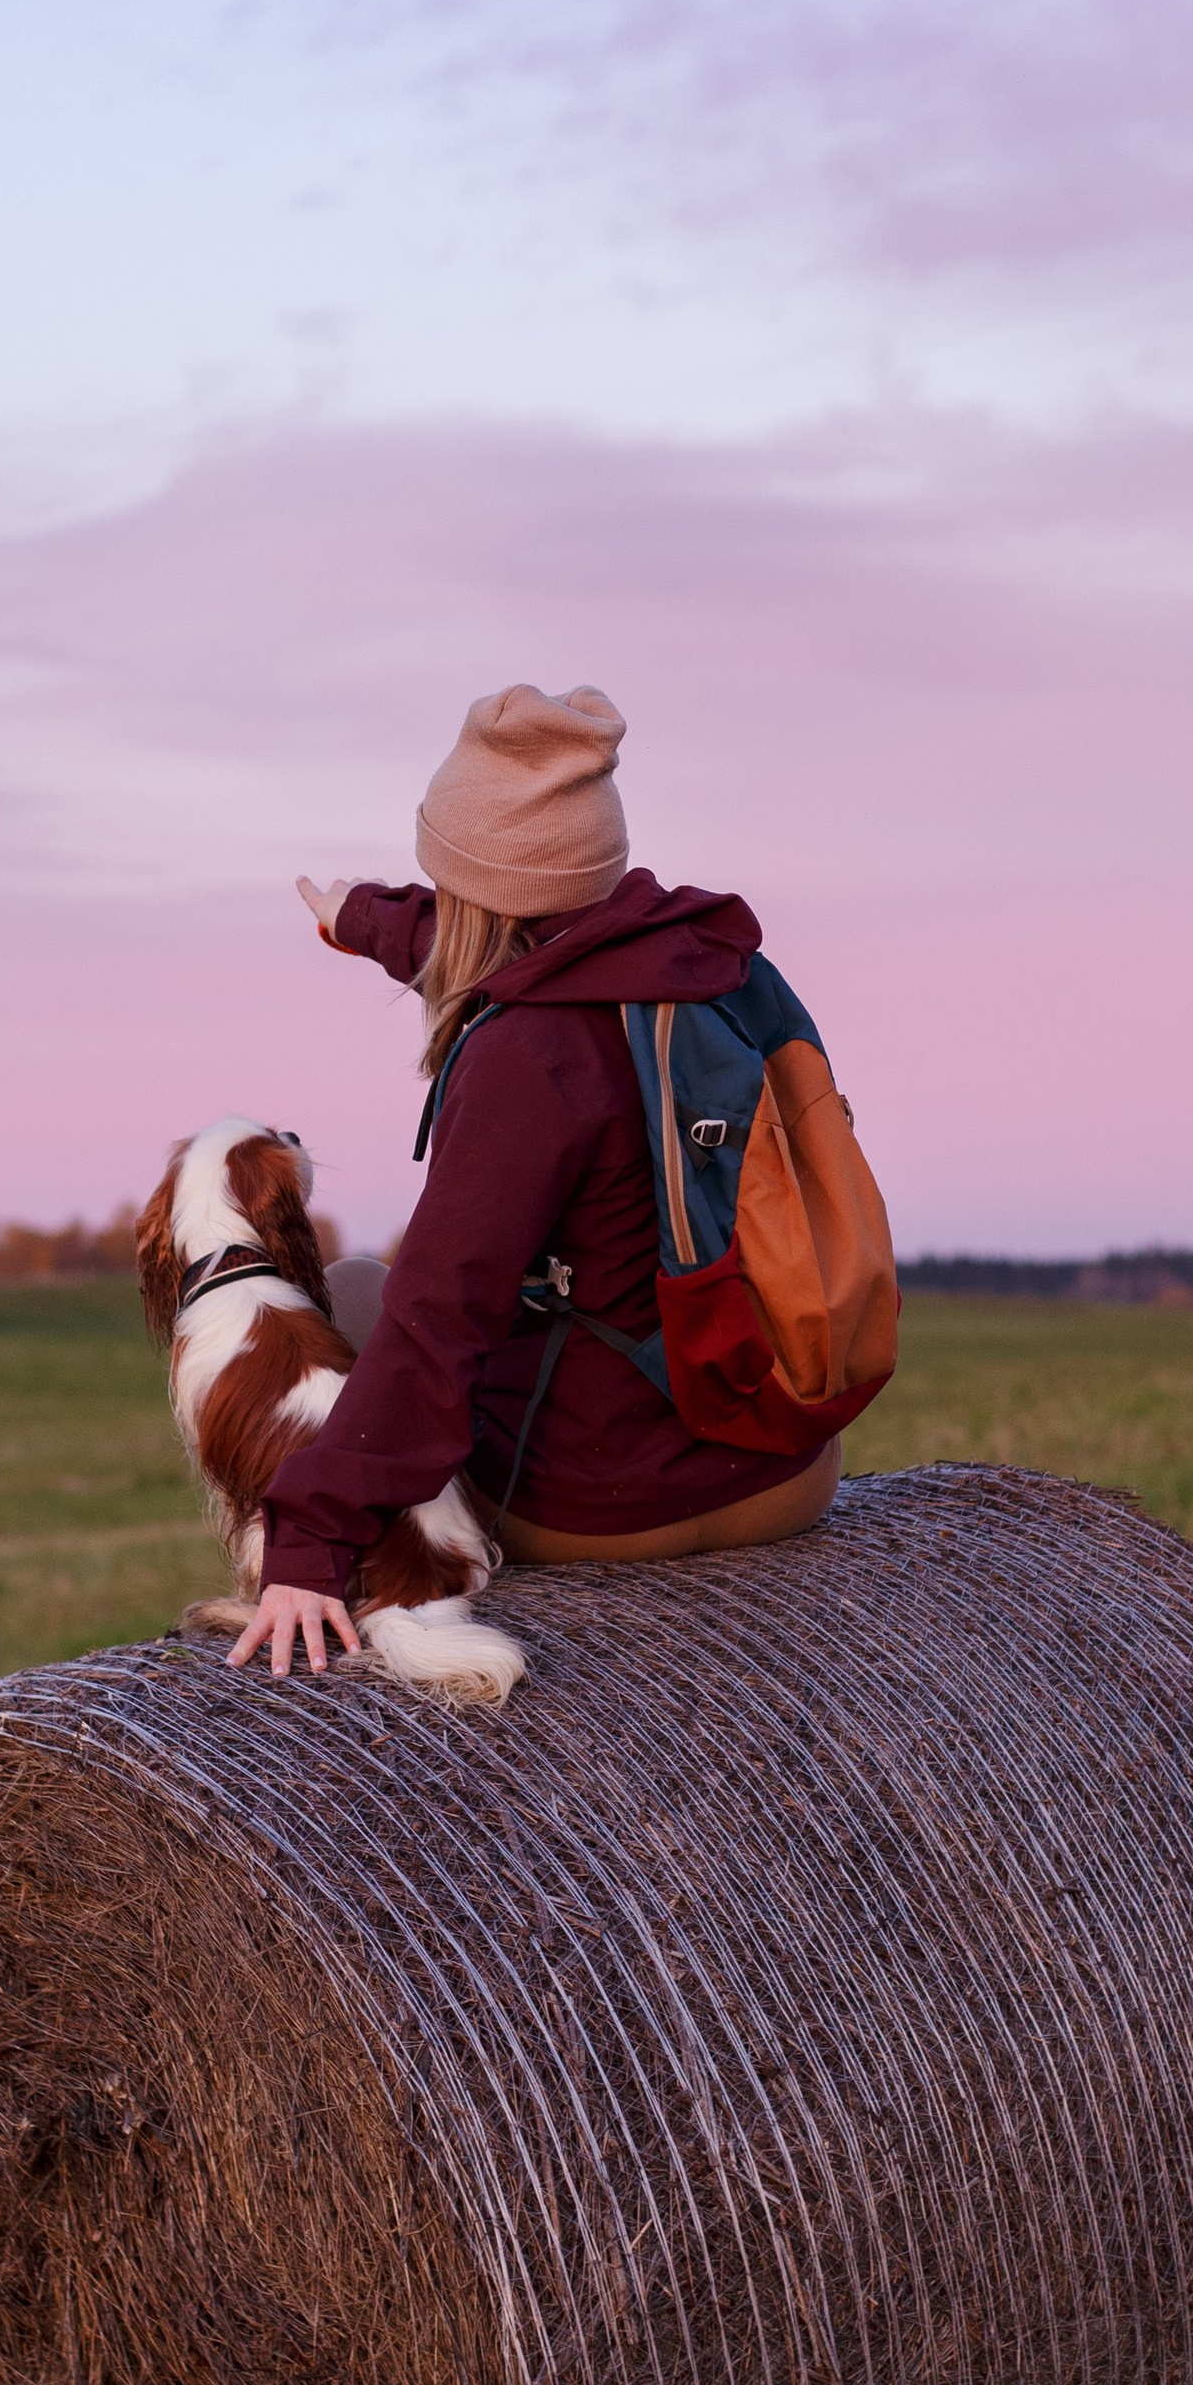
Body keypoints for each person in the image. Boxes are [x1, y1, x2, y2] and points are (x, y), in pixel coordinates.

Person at [229, 683, 843, 1678]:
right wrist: (367, 920)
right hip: (784, 1468)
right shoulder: (708, 965)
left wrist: (307, 1541)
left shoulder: (529, 1061)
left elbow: (438, 1327)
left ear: (473, 883)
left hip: (611, 1508)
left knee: (354, 1289)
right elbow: (510, 946)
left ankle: (385, 1577)